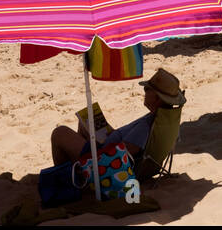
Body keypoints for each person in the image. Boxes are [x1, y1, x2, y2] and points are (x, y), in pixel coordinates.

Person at [49, 68, 185, 167]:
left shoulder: (145, 127)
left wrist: (104, 143)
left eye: (146, 89)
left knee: (60, 133)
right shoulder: (164, 120)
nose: (144, 92)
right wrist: (113, 135)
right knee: (86, 121)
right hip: (113, 148)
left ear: (156, 98)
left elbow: (123, 153)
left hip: (106, 164)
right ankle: (75, 169)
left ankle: (67, 176)